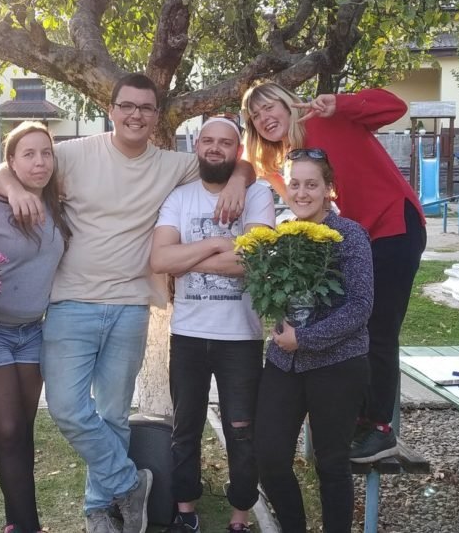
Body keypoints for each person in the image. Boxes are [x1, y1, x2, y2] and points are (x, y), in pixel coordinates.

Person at [0, 73, 254, 533]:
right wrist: (11, 188)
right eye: (127, 106)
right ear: (111, 109)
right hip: (71, 301)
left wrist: (239, 179)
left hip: (132, 305)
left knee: (113, 413)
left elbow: (229, 160)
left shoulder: (173, 164)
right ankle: (128, 481)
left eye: (145, 108)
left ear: (156, 116)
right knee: (68, 409)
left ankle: (101, 509)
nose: (135, 115)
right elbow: (9, 167)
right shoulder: (72, 153)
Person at [241, 81, 426, 462]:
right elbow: (248, 165)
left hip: (393, 224)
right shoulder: (285, 157)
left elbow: (394, 107)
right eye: (255, 116)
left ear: (289, 104)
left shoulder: (327, 119)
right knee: (349, 323)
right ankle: (357, 416)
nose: (264, 118)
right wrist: (233, 181)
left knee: (379, 326)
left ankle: (380, 428)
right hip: (354, 237)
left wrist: (339, 104)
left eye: (269, 107)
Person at [149, 117, 276, 533]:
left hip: (240, 335)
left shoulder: (257, 194)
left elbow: (252, 260)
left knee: (242, 430)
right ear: (197, 145)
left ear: (238, 151)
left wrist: (188, 255)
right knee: (184, 427)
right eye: (208, 141)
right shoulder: (179, 198)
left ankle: (240, 515)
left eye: (226, 142)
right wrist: (221, 242)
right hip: (187, 332)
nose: (215, 148)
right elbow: (161, 261)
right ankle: (186, 512)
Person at [254, 148, 374, 533]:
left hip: (337, 365)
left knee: (331, 463)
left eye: (311, 184)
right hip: (283, 365)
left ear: (328, 190)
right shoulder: (282, 235)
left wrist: (304, 339)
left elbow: (360, 306)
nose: (302, 193)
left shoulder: (350, 235)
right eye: (295, 184)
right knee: (269, 458)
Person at [0, 122, 72, 533]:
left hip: (32, 331)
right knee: (7, 428)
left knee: (21, 431)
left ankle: (19, 523)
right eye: (28, 154)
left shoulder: (58, 205)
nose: (39, 161)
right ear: (10, 162)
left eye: (46, 153)